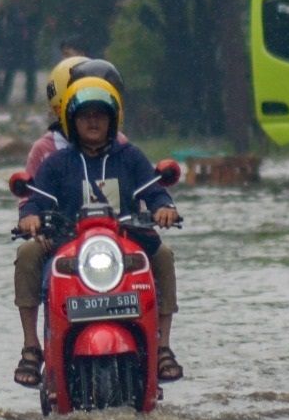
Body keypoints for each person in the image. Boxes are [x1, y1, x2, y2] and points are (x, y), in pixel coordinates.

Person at [14, 75, 182, 386]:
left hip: (127, 242)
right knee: (27, 252)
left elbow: (155, 192)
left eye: (100, 115)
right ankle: (31, 348)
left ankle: (162, 348)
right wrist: (30, 218)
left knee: (165, 255)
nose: (93, 122)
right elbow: (34, 200)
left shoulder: (130, 157)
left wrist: (164, 208)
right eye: (85, 116)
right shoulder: (55, 163)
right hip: (66, 244)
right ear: (71, 121)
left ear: (112, 120)